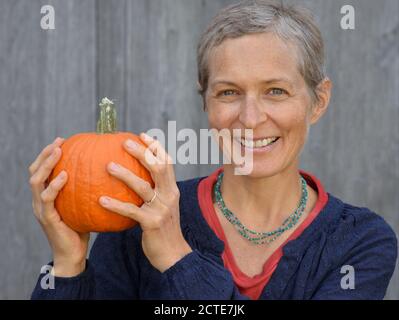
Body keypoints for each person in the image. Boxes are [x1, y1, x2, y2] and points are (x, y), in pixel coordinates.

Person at [29, 0, 397, 300]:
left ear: (318, 101)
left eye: (276, 91)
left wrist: (177, 258)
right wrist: (68, 264)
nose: (251, 119)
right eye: (229, 93)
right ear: (206, 103)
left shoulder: (359, 241)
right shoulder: (137, 218)